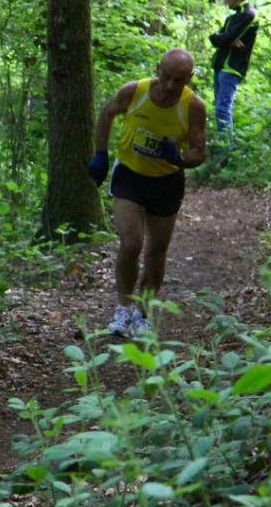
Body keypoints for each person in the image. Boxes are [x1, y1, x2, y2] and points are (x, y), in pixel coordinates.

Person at [87, 48, 207, 336]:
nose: (170, 85)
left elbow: (199, 152)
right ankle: (123, 308)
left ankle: (142, 313)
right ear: (157, 69)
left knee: (156, 253)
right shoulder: (134, 92)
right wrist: (100, 154)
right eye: (166, 77)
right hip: (129, 175)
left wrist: (177, 158)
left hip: (166, 182)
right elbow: (107, 113)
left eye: (179, 80)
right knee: (131, 243)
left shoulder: (194, 107)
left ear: (189, 78)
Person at [208, 0, 258, 139]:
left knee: (223, 108)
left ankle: (226, 150)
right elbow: (218, 39)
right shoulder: (232, 18)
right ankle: (222, 144)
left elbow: (225, 38)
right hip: (220, 65)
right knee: (218, 107)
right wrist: (225, 39)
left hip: (231, 67)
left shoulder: (249, 14)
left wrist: (226, 38)